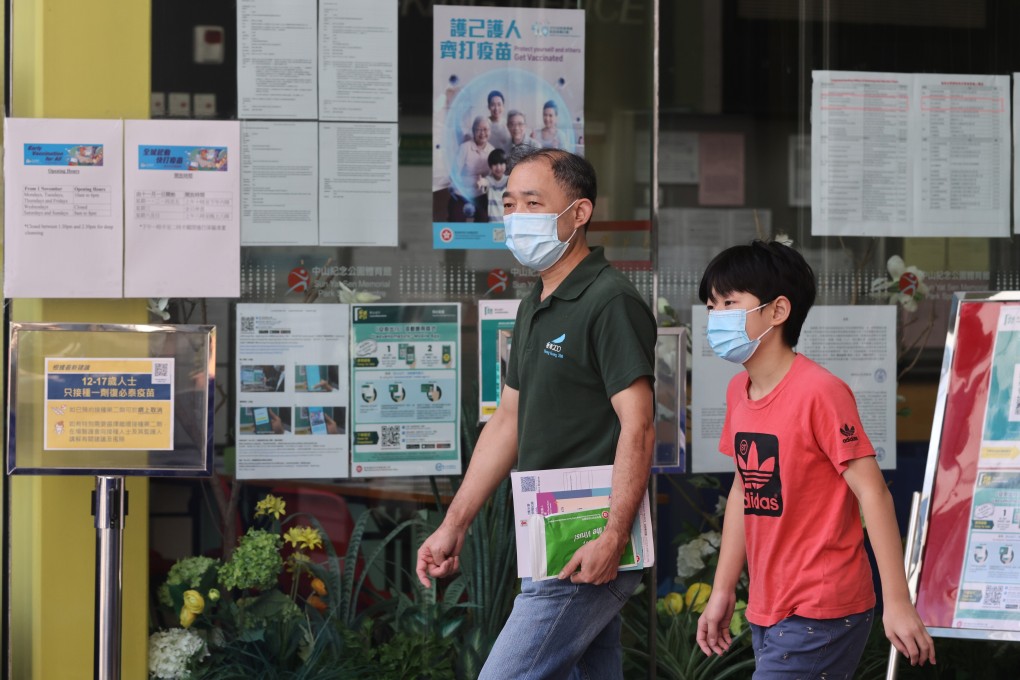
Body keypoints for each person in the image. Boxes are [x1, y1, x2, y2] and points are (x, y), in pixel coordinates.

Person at [416, 148, 657, 679]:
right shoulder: (536, 303)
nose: (517, 216)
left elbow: (638, 424)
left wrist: (613, 536)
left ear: (579, 212)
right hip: (548, 532)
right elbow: (507, 421)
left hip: (587, 538)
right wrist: (454, 524)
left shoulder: (609, 300)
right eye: (509, 203)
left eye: (533, 202)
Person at [695, 241, 936, 677]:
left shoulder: (820, 391)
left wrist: (897, 603)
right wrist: (723, 590)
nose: (716, 318)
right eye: (712, 307)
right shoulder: (739, 391)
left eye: (730, 303)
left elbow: (873, 494)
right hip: (768, 606)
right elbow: (742, 488)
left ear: (778, 310)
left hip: (823, 605)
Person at [454, 116, 495, 220]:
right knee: (456, 219)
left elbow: (492, 176)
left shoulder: (492, 151)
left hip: (480, 194)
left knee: (485, 219)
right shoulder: (464, 148)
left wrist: (484, 182)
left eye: (485, 129)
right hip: (461, 193)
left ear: (490, 131)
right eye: (478, 130)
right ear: (473, 131)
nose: (482, 133)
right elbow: (454, 174)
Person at [476, 148, 508, 223]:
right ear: (490, 166)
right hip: (492, 224)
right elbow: (485, 182)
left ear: (506, 164)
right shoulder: (489, 180)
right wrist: (480, 183)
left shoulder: (509, 179)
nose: (498, 167)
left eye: (501, 163)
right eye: (495, 164)